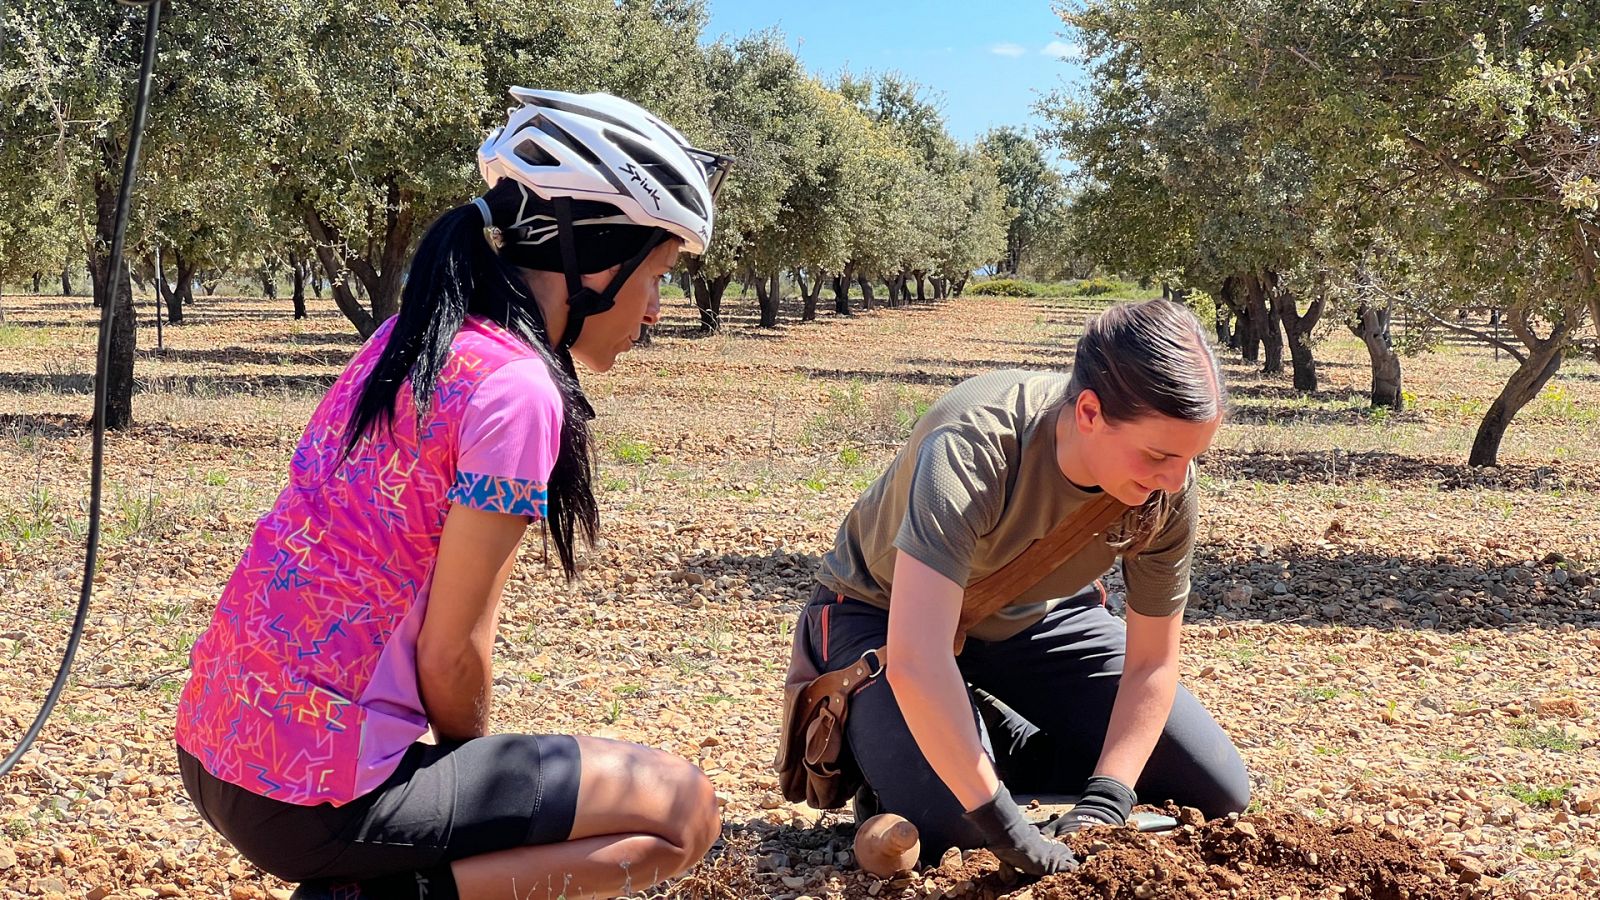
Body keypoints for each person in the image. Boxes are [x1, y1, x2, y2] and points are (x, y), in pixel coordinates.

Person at [174, 89, 732, 900]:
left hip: (214, 745)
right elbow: (450, 653)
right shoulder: (518, 390)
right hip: (316, 797)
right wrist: (478, 790)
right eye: (660, 274)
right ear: (597, 261)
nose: (654, 310)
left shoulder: (409, 340)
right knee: (685, 814)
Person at [797, 299, 1249, 874]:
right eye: (1159, 454)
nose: (1175, 478)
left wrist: (1107, 801)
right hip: (882, 616)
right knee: (959, 825)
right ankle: (921, 749)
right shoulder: (973, 443)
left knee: (1214, 792)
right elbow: (916, 655)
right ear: (1089, 412)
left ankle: (970, 737)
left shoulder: (1169, 487)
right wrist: (1007, 828)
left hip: (1036, 616)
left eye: (1190, 457)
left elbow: (1152, 665)